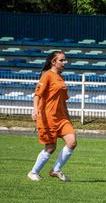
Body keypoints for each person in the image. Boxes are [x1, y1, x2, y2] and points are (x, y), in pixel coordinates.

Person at [27, 51, 77, 182]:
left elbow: (63, 101)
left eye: (65, 60)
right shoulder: (47, 75)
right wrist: (35, 108)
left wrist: (68, 118)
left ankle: (56, 170)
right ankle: (33, 172)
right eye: (62, 60)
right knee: (50, 147)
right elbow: (37, 94)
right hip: (48, 117)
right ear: (53, 62)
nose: (64, 62)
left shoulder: (61, 78)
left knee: (72, 142)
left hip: (62, 118)